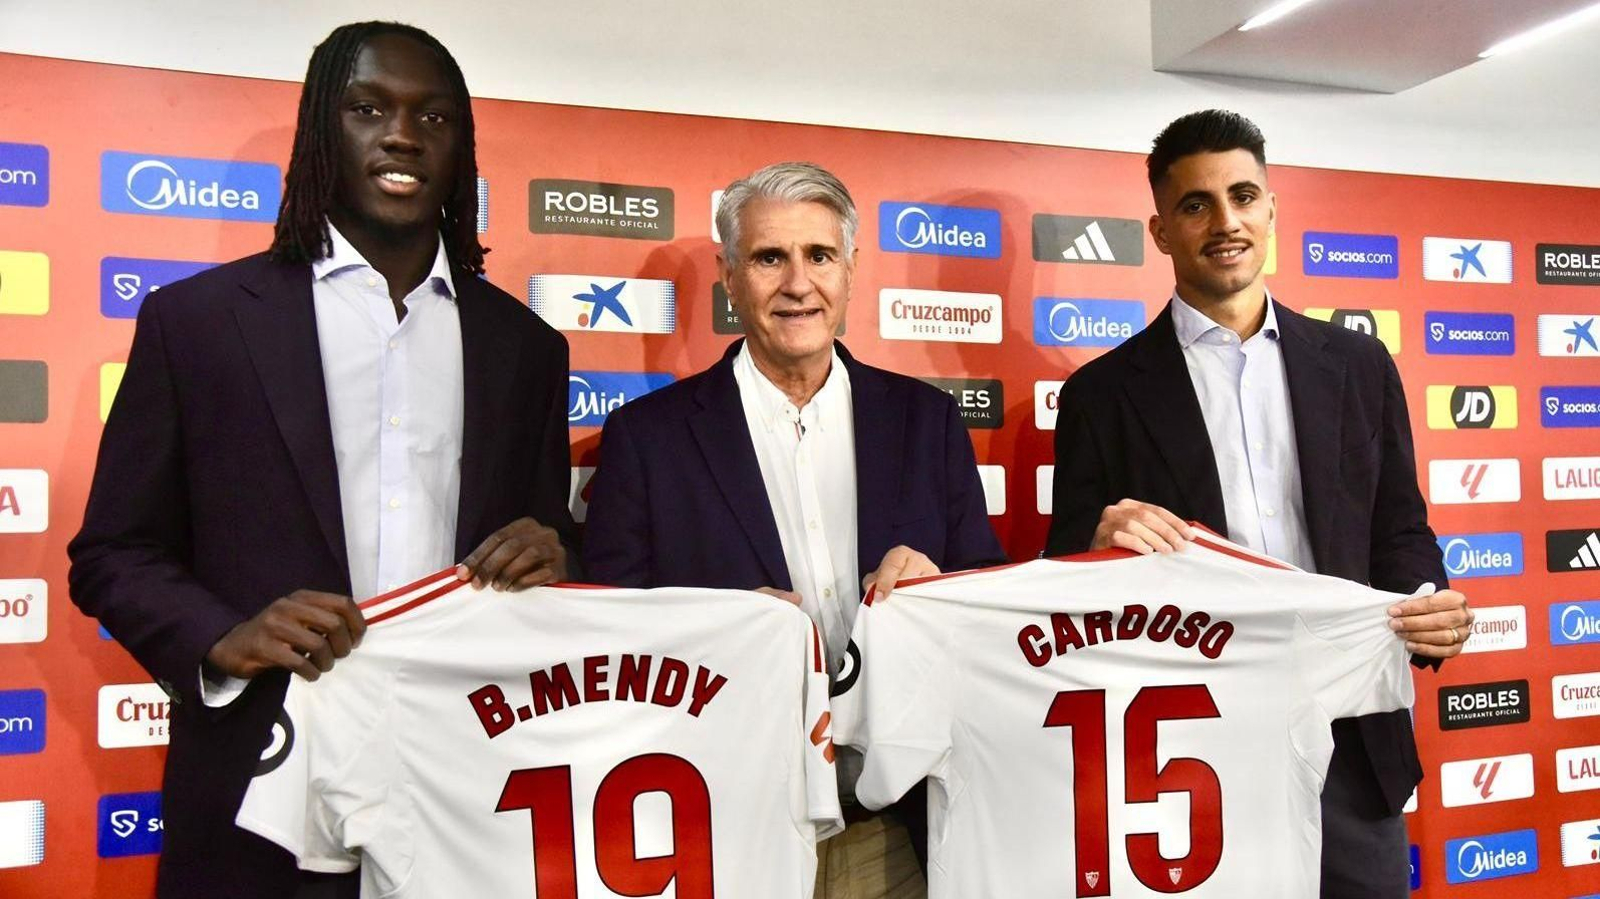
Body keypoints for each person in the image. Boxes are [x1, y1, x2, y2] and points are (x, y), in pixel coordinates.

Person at [67, 22, 576, 899]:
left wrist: (558, 554)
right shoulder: (198, 323)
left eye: (435, 117)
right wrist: (222, 635)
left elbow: (550, 539)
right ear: (319, 133)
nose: (403, 135)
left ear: (462, 150)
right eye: (368, 109)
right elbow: (113, 552)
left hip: (473, 791)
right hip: (257, 791)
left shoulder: (525, 346)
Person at [1044, 109, 1471, 898]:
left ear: (1272, 209)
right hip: (1188, 754)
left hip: (1352, 745)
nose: (1226, 221)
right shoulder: (1100, 395)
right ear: (1160, 230)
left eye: (1243, 196)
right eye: (1196, 204)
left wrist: (1426, 604)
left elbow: (1399, 529)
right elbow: (1060, 581)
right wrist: (1096, 547)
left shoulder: (1360, 365)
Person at [583, 161, 1006, 898]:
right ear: (729, 276)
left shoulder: (927, 421)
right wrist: (719, 635)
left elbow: (988, 618)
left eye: (819, 255)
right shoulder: (646, 439)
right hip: (725, 834)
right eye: (769, 257)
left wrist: (941, 592)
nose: (798, 283)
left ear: (851, 269)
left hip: (894, 833)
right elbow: (606, 649)